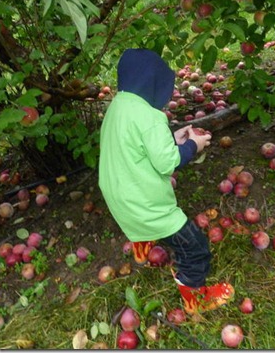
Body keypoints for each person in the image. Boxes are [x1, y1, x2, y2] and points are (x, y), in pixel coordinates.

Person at [99, 48, 234, 314]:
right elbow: (167, 162)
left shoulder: (118, 106)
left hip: (118, 195)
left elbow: (138, 147)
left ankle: (142, 246)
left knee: (139, 221)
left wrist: (174, 140)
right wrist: (193, 145)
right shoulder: (151, 117)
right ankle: (196, 298)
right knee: (194, 247)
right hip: (145, 203)